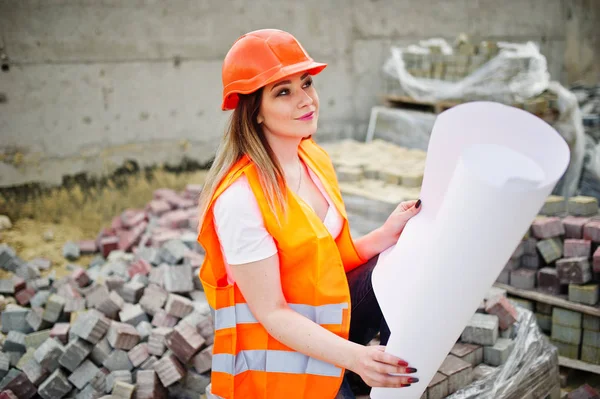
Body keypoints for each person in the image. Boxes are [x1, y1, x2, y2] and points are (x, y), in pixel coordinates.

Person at [197, 28, 422, 399]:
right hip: (282, 363)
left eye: (306, 84)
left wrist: (385, 235)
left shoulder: (312, 159)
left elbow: (326, 263)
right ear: (254, 112)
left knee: (404, 264)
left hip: (326, 329)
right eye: (283, 92)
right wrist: (358, 358)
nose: (306, 100)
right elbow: (273, 315)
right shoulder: (240, 198)